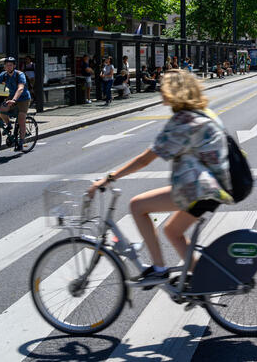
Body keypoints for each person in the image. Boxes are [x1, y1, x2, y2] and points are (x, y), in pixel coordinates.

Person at [87, 69, 233, 287]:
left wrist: (109, 178)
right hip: (214, 186)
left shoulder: (182, 121)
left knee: (137, 206)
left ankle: (159, 269)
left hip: (200, 188)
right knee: (172, 231)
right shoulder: (202, 113)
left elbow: (146, 159)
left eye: (163, 87)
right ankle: (203, 283)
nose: (159, 90)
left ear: (173, 91)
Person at [0, 57, 32, 152]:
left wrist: (14, 100)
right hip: (11, 98)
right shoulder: (3, 75)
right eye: (6, 65)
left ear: (14, 66)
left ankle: (21, 141)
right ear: (4, 66)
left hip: (23, 99)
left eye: (10, 65)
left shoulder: (19, 75)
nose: (8, 67)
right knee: (2, 110)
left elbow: (20, 88)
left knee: (21, 119)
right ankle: (8, 125)